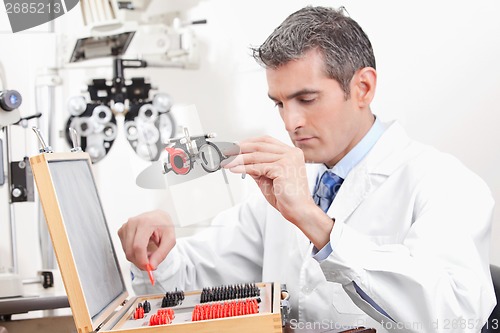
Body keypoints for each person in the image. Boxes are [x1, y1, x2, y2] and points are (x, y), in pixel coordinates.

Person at [118, 6, 496, 332]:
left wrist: (315, 223)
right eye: (279, 103)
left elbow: (457, 316)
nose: (290, 121)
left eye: (306, 99)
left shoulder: (446, 184)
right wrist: (157, 253)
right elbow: (191, 283)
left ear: (362, 88)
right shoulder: (287, 188)